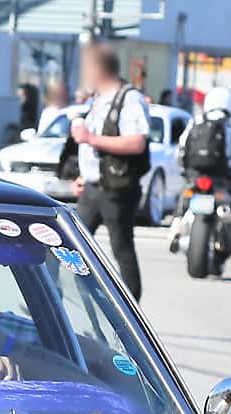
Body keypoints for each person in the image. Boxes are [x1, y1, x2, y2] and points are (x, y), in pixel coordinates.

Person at [69, 42, 150, 300]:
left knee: (121, 249)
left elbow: (137, 142)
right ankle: (55, 305)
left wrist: (90, 138)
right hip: (93, 187)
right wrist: (83, 175)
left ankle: (130, 314)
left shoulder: (129, 98)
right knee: (68, 244)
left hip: (117, 189)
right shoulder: (97, 100)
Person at [173, 85, 231, 249]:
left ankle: (175, 230)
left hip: (195, 174)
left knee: (182, 198)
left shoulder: (196, 120)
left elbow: (181, 149)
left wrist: (185, 171)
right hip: (223, 176)